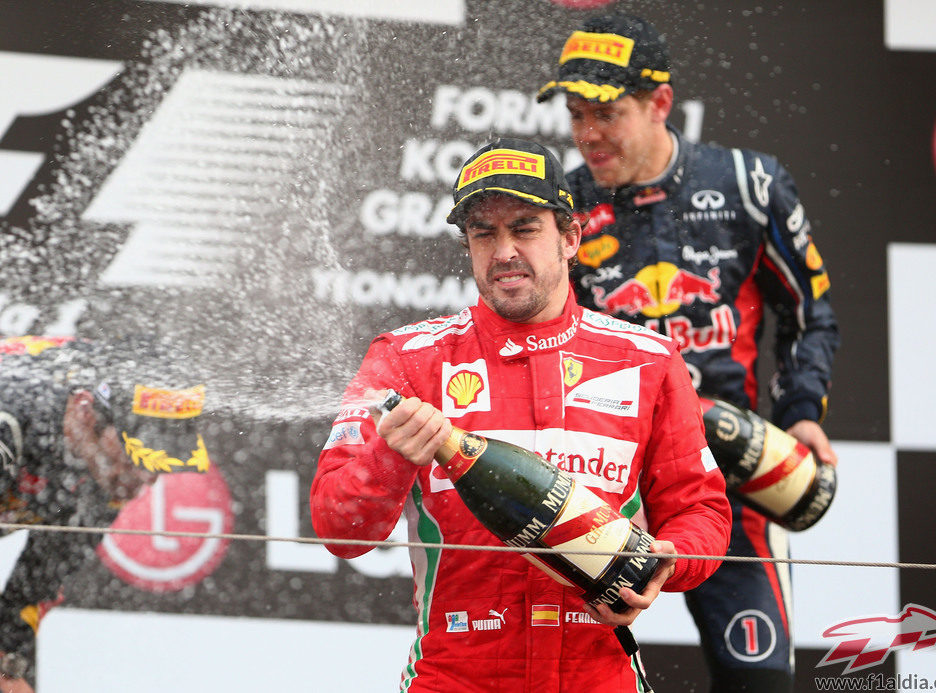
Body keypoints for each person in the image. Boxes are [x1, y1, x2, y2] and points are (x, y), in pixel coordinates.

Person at [310, 138, 732, 692]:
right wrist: (389, 457)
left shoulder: (647, 360)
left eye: (525, 228)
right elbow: (339, 529)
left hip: (599, 678)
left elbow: (701, 510)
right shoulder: (406, 359)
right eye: (484, 233)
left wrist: (670, 561)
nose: (503, 250)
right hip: (455, 678)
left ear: (571, 238)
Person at [537, 13, 841, 692]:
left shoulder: (749, 185)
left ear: (660, 104)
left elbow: (809, 312)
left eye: (606, 113)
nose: (585, 133)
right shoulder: (561, 206)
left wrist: (800, 412)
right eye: (575, 112)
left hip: (724, 481)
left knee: (758, 681)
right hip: (602, 485)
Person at [0, 335, 210, 692]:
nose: (146, 478)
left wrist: (9, 664)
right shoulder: (12, 419)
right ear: (84, 411)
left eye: (161, 464)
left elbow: (28, 595)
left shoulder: (108, 477)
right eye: (135, 456)